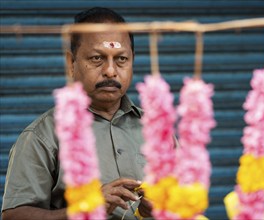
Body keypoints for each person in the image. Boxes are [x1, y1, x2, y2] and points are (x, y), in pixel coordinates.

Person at [2, 7, 153, 220]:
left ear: (132, 61)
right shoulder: (41, 137)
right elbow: (13, 217)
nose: (110, 71)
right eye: (96, 58)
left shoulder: (156, 129)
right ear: (71, 63)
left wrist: (160, 209)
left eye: (121, 59)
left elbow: (186, 206)